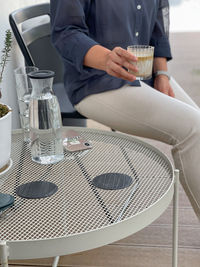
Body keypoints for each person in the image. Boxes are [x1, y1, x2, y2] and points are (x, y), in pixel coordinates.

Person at [50, 0, 200, 220]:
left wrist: (162, 74)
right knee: (193, 129)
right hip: (95, 82)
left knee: (196, 126)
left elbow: (157, 24)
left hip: (146, 74)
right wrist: (106, 58)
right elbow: (65, 32)